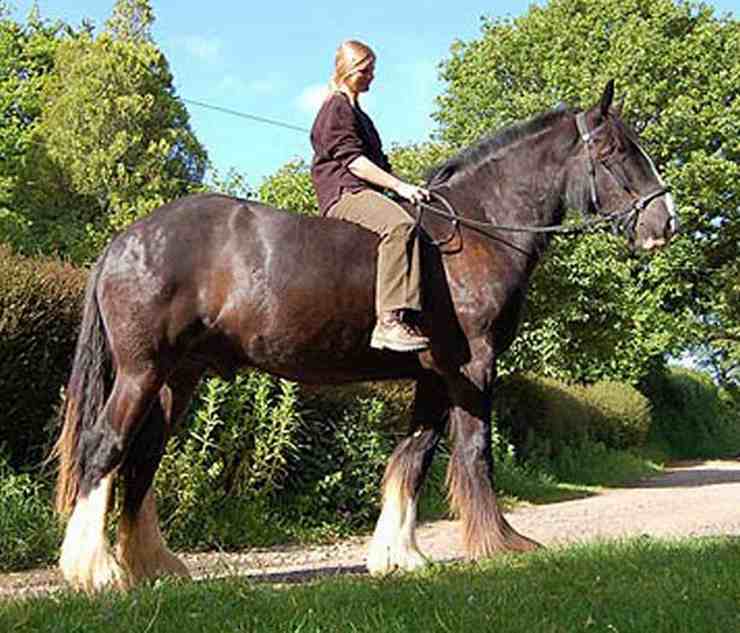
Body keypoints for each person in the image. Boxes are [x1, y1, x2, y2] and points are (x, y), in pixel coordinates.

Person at [310, 40, 431, 352]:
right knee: (400, 226)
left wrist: (408, 188)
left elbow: (379, 163)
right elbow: (355, 163)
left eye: (372, 70)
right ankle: (389, 322)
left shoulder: (360, 115)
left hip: (365, 190)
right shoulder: (335, 107)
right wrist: (399, 188)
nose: (371, 77)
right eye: (366, 70)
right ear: (348, 69)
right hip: (345, 192)